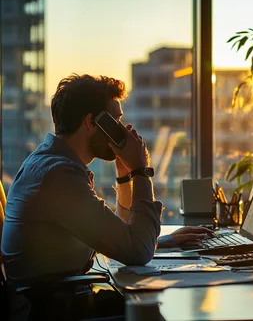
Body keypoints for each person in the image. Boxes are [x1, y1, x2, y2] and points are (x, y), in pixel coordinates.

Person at [1, 74, 211, 319]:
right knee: (160, 311)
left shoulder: (53, 162)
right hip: (52, 309)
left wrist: (124, 176)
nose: (122, 130)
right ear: (91, 122)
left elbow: (122, 239)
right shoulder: (58, 176)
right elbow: (137, 252)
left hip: (60, 298)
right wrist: (140, 170)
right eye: (116, 121)